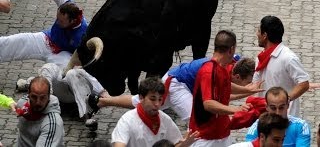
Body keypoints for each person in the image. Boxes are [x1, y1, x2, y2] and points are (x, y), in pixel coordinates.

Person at [89, 57, 260, 122]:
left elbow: (221, 98)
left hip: (180, 81)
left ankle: (104, 100)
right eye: (247, 82)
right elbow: (220, 97)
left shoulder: (232, 64)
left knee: (138, 102)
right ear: (237, 76)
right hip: (178, 84)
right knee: (195, 119)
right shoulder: (221, 74)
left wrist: (247, 91)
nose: (247, 85)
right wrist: (248, 92)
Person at [0, 0, 87, 71]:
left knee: (68, 75)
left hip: (63, 54)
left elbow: (84, 59)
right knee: (13, 42)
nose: (57, 22)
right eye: (57, 18)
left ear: (73, 21)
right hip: (47, 39)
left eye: (61, 21)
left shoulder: (84, 34)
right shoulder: (66, 4)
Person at [185, 30, 256, 146]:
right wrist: (235, 109)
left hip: (222, 134)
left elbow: (225, 87)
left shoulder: (221, 68)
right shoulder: (208, 71)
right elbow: (208, 103)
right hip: (205, 137)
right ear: (231, 49)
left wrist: (248, 90)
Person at [111, 77, 199, 147]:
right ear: (141, 98)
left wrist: (184, 144)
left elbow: (174, 144)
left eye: (160, 99)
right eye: (152, 99)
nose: (157, 104)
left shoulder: (165, 119)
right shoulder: (127, 120)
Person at [253, 15, 309, 117]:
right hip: (265, 117)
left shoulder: (288, 58)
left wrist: (283, 101)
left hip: (285, 118)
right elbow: (255, 85)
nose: (257, 34)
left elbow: (304, 84)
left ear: (264, 35)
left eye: (258, 31)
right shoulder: (261, 57)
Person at [246, 87, 311, 146]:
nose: (278, 113)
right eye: (273, 108)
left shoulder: (301, 126)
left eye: (281, 107)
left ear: (288, 105)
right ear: (266, 107)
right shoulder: (256, 127)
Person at [16, 76, 64, 146]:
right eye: (34, 97)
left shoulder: (52, 123)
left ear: (49, 97)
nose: (38, 102)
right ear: (28, 94)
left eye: (42, 98)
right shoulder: (22, 104)